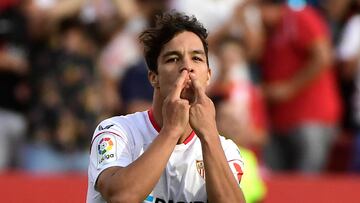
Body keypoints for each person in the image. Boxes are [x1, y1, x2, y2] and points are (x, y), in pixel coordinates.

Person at [86, 11, 245, 203]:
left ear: (209, 75)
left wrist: (209, 135)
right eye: (173, 59)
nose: (187, 67)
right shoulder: (116, 132)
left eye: (197, 58)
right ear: (154, 78)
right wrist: (171, 131)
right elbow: (121, 197)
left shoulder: (226, 150)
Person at [259, 0, 342, 173]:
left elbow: (323, 56)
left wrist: (289, 88)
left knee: (306, 184)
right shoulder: (268, 30)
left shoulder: (299, 17)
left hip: (311, 117)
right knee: (280, 187)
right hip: (280, 121)